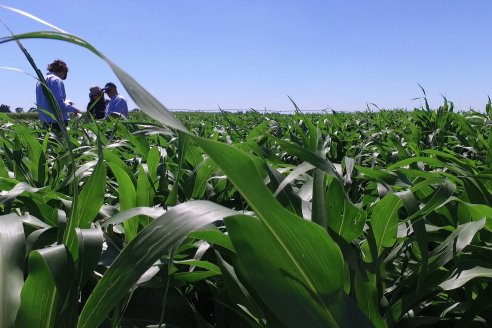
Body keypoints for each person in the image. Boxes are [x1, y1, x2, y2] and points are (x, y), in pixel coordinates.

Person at [35, 59, 80, 130]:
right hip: (56, 121)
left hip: (45, 120)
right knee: (59, 141)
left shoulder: (40, 80)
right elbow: (58, 103)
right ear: (63, 71)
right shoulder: (56, 80)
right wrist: (75, 110)